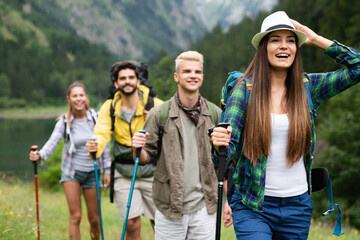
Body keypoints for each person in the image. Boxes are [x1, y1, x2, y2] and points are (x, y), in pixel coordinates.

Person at [211, 11, 360, 240]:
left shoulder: (307, 87)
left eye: (291, 40)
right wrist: (219, 143)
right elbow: (224, 148)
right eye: (275, 40)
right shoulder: (244, 90)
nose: (284, 46)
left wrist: (315, 38)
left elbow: (356, 68)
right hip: (253, 205)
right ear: (263, 47)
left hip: (297, 208)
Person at [132, 50, 222, 240]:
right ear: (176, 76)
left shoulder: (215, 114)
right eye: (187, 71)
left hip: (205, 207)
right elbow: (145, 156)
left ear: (202, 77)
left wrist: (227, 201)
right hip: (169, 207)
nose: (192, 76)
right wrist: (137, 149)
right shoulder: (159, 114)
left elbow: (224, 163)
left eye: (197, 72)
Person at [86, 61, 163, 240]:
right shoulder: (110, 106)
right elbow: (101, 132)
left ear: (138, 81)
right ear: (116, 84)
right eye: (122, 78)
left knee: (159, 222)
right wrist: (94, 146)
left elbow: (172, 132)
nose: (127, 81)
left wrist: (154, 119)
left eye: (131, 78)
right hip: (124, 171)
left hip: (153, 170)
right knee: (131, 223)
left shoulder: (156, 104)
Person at [29, 81, 111, 240]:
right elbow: (52, 143)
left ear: (86, 97)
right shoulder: (64, 122)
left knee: (94, 219)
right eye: (75, 96)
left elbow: (104, 143)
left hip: (93, 171)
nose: (78, 99)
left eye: (81, 95)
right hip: (71, 173)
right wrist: (39, 156)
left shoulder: (96, 118)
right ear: (69, 99)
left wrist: (107, 169)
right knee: (76, 217)